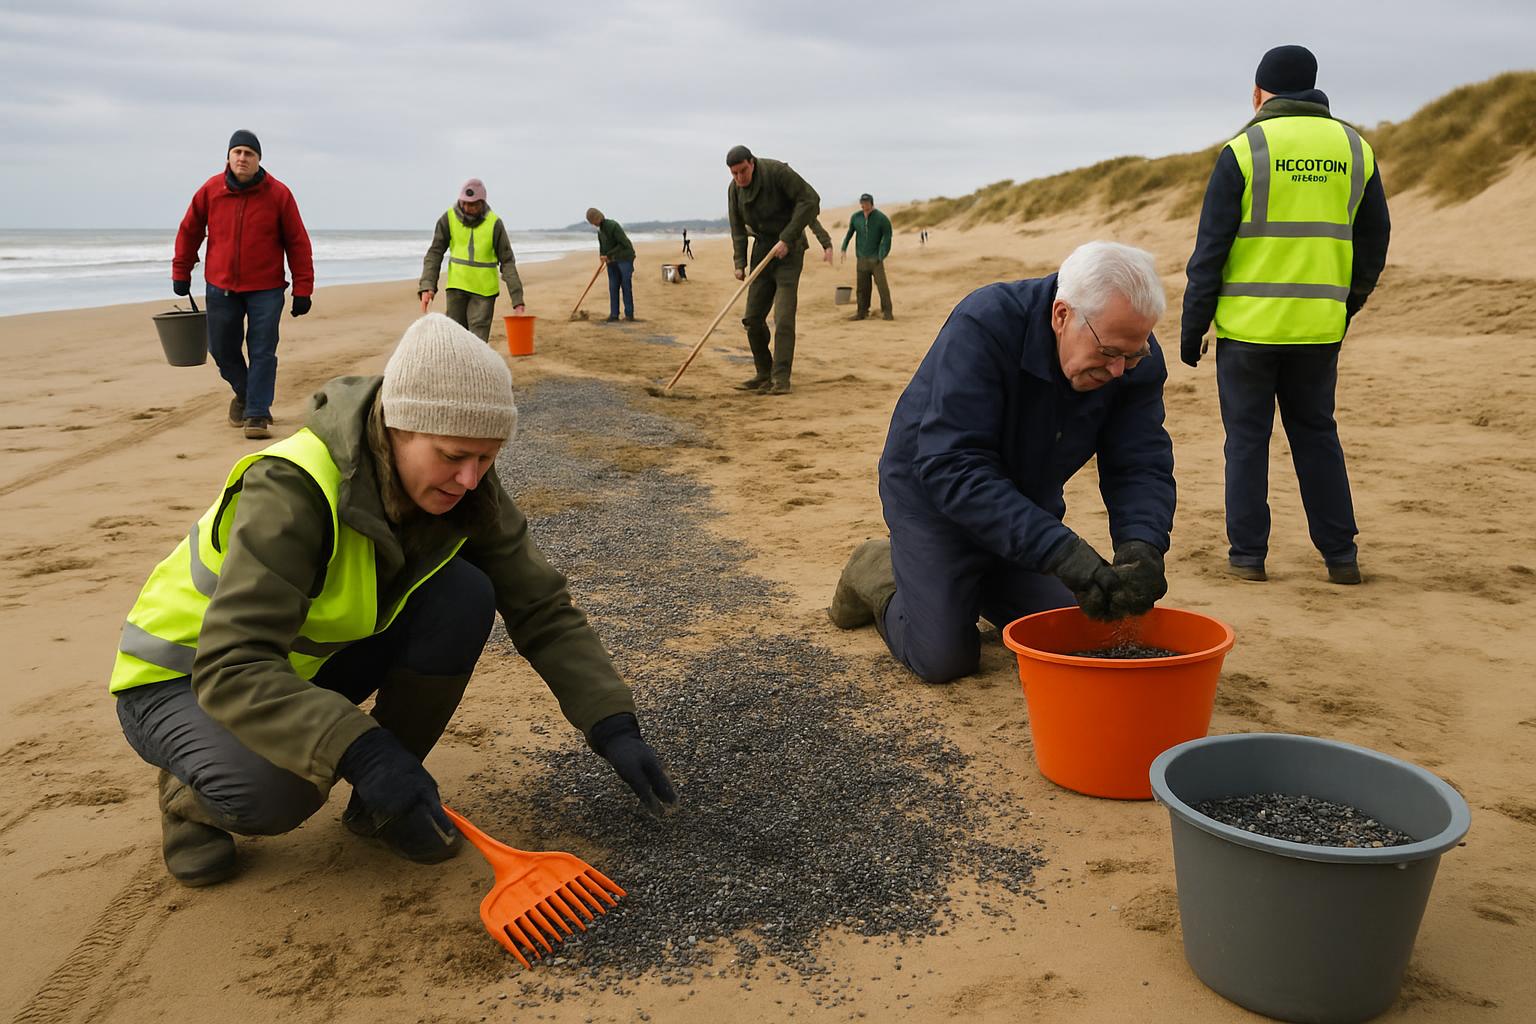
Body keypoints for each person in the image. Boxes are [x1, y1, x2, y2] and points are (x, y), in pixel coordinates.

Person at [109, 314, 677, 886]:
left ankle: (385, 803)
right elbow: (234, 665)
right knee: (278, 795)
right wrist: (363, 750)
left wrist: (611, 722)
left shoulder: (465, 482)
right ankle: (188, 792)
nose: (470, 479)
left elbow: (541, 607)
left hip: (300, 666)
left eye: (487, 458)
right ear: (398, 427)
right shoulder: (292, 490)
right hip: (184, 677)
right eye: (454, 456)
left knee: (463, 594)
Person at [828, 242, 1176, 684]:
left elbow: (1140, 461)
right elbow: (952, 465)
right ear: (1062, 314)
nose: (1119, 371)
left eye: (1134, 354)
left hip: (1023, 503)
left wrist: (1141, 546)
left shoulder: (1129, 353)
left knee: (1087, 633)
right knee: (944, 659)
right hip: (931, 493)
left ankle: (976, 580)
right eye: (1108, 353)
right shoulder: (986, 322)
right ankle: (875, 567)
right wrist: (1059, 550)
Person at [1181, 45, 1390, 585]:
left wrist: (1192, 325)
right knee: (1317, 435)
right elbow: (1374, 244)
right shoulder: (1354, 148)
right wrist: (1346, 307)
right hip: (1319, 329)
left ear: (1257, 93)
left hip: (1249, 330)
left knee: (1246, 442)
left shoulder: (1245, 148)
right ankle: (1341, 558)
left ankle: (1248, 557)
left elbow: (1210, 251)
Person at [173, 130, 314, 441]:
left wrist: (303, 289)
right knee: (221, 348)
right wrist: (181, 270)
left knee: (263, 350)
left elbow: (298, 243)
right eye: (237, 152)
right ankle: (246, 392)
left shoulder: (279, 194)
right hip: (220, 286)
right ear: (228, 157)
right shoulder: (211, 191)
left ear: (259, 159)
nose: (242, 158)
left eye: (249, 153)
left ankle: (257, 413)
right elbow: (189, 230)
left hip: (266, 288)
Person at [725, 145, 829, 395]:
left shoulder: (777, 172)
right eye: (734, 174)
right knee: (752, 319)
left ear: (752, 162)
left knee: (783, 317)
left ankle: (781, 378)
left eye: (743, 171)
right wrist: (740, 262)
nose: (740, 178)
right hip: (762, 250)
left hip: (789, 250)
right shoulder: (734, 190)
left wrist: (787, 237)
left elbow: (810, 200)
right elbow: (737, 227)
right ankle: (764, 372)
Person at [419, 179, 526, 343]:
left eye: (474, 204)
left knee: (477, 343)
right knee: (454, 338)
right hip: (457, 288)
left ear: (483, 202)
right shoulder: (448, 218)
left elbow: (508, 261)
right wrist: (427, 286)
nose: (468, 208)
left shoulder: (494, 223)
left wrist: (517, 300)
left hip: (484, 292)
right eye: (465, 203)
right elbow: (435, 252)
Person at [840, 193, 895, 321]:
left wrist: (882, 254)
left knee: (882, 286)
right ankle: (862, 312)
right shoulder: (856, 217)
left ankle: (887, 312)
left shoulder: (881, 218)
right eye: (862, 203)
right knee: (862, 288)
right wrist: (844, 248)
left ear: (871, 203)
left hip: (876, 259)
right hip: (861, 258)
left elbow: (887, 237)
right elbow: (849, 233)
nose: (864, 205)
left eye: (866, 203)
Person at [586, 207, 636, 322]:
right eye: (591, 222)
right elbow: (602, 247)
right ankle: (614, 315)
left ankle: (629, 315)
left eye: (594, 220)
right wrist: (602, 256)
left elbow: (623, 244)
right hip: (612, 260)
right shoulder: (600, 231)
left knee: (625, 285)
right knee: (613, 287)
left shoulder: (613, 225)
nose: (593, 224)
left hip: (625, 258)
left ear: (598, 217)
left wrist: (608, 254)